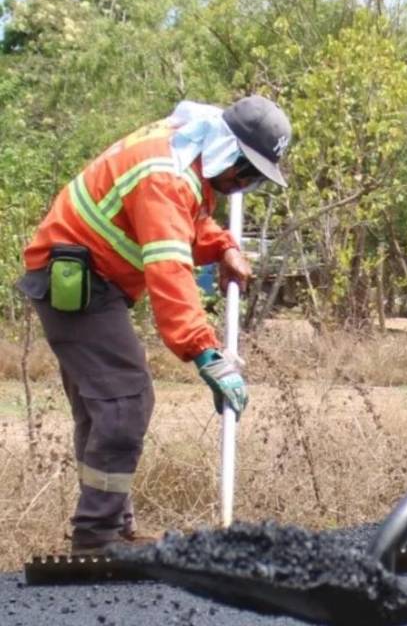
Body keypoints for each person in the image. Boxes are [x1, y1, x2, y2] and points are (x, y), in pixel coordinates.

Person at [15, 95, 291, 556]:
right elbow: (169, 269)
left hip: (89, 278)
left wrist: (222, 246)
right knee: (125, 400)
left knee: (104, 407)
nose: (243, 185)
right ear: (228, 151)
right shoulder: (165, 174)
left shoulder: (185, 151)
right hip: (76, 281)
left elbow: (187, 221)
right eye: (246, 173)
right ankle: (96, 535)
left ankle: (110, 527)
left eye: (254, 181)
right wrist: (207, 354)